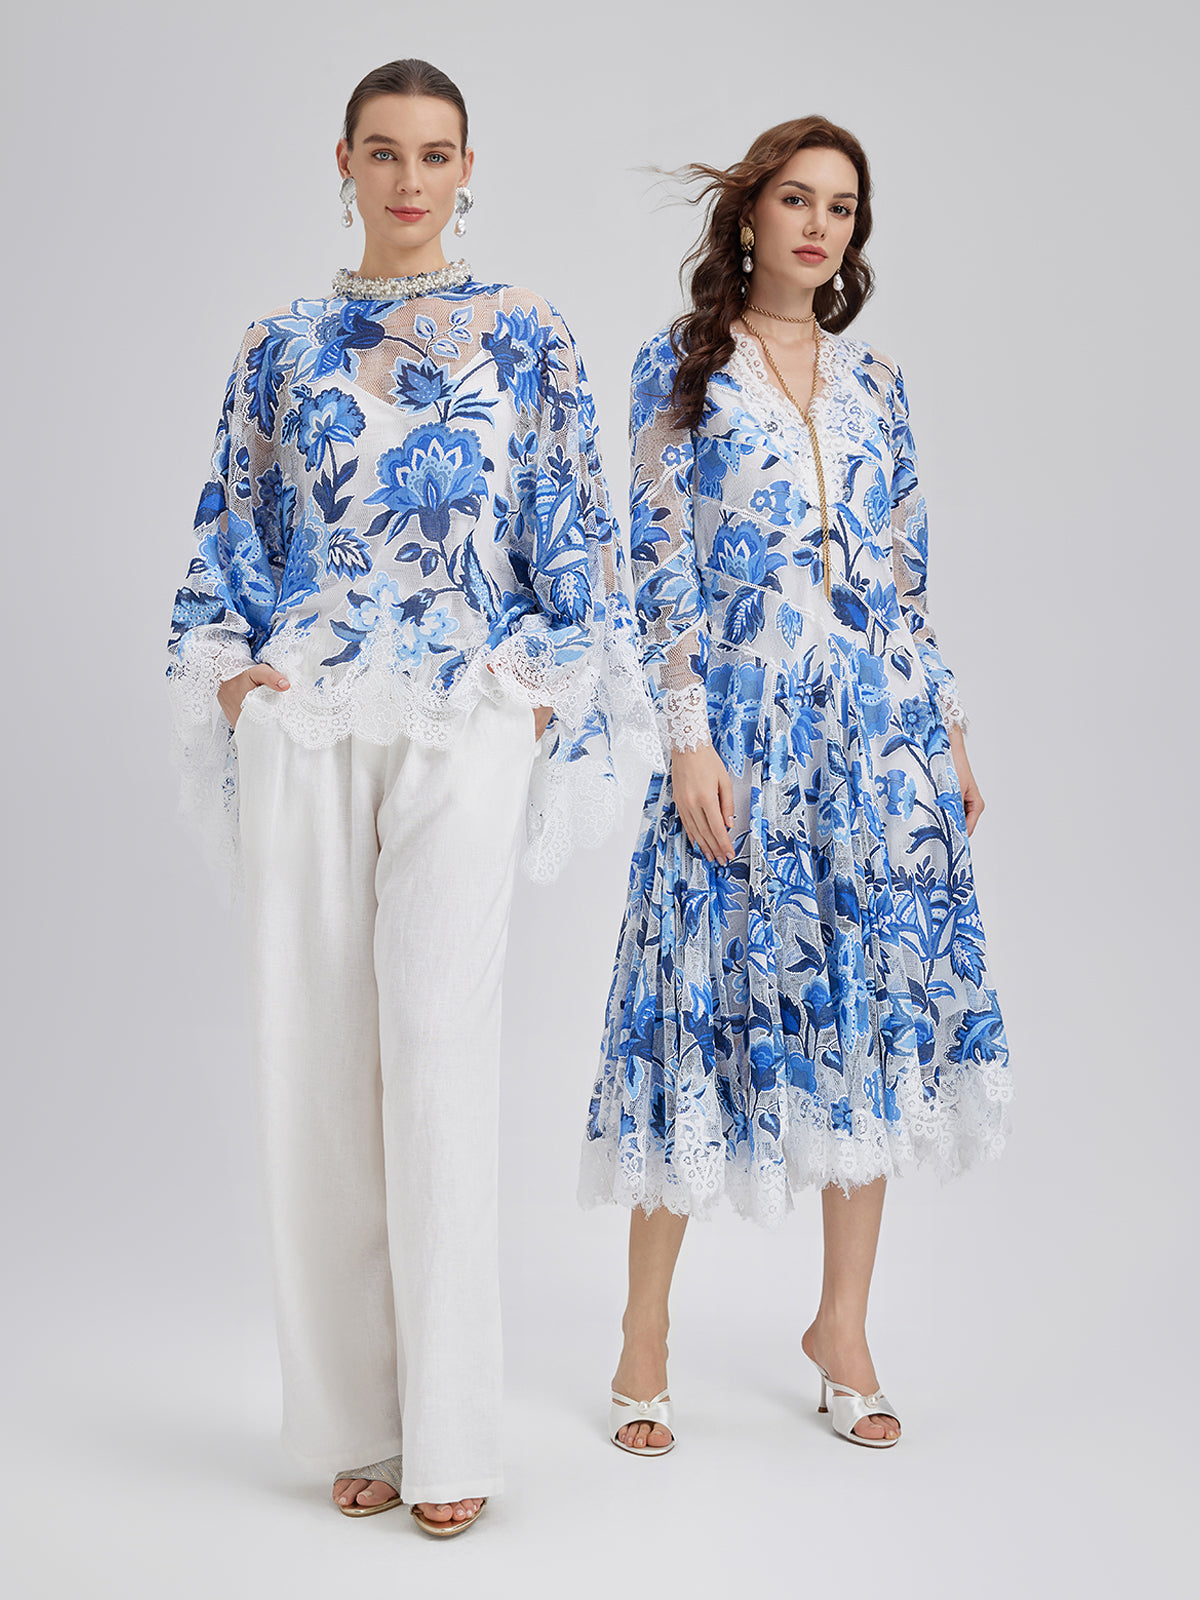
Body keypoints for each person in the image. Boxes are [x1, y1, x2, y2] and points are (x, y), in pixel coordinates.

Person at [168, 58, 653, 1534]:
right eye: (382, 152)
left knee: (437, 1058)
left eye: (434, 154)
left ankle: (452, 1442)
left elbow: (580, 548)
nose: (408, 180)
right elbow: (229, 535)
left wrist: (533, 696)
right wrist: (238, 683)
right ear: (343, 163)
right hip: (313, 720)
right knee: (316, 1072)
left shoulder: (530, 335)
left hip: (462, 722)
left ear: (467, 169)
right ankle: (360, 1426)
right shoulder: (278, 345)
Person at [582, 116, 1011, 1455]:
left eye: (843, 207)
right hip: (744, 737)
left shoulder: (879, 382)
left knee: (865, 1011)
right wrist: (686, 738)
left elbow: (906, 575)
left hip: (877, 743)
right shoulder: (682, 365)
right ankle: (642, 1334)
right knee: (697, 1001)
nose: (822, 225)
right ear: (751, 215)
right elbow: (654, 568)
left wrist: (947, 733)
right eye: (798, 199)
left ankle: (844, 1327)